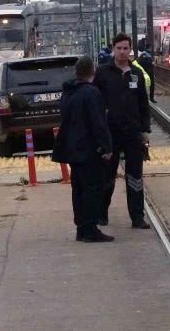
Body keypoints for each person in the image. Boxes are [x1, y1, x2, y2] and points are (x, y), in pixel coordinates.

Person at [54, 56, 114, 243]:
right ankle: (90, 228)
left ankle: (81, 227)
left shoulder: (68, 92)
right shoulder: (91, 93)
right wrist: (106, 146)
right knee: (92, 188)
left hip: (72, 148)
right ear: (93, 72)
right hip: (90, 149)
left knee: (78, 189)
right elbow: (98, 122)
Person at [94, 33, 151, 230]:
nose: (122, 52)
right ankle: (101, 214)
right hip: (110, 132)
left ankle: (137, 217)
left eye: (126, 48)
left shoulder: (136, 73)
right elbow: (95, 102)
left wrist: (145, 128)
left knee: (135, 176)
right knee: (106, 175)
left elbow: (143, 103)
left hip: (133, 132)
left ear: (130, 49)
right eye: (119, 48)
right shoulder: (102, 73)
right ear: (113, 49)